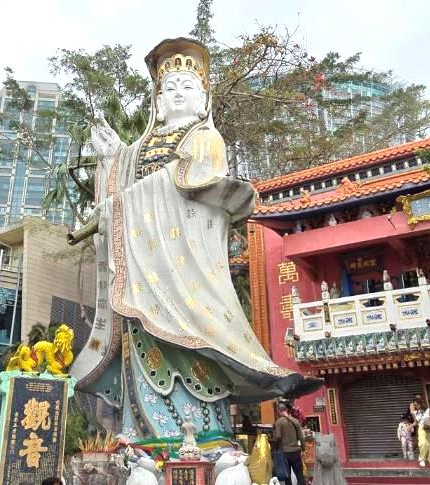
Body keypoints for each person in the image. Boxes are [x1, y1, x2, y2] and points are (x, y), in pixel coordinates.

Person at [68, 37, 320, 446]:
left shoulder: (204, 139)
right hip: (143, 270)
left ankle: (203, 438)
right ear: (158, 101)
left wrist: (122, 203)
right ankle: (142, 439)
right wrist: (112, 159)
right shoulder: (138, 149)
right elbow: (119, 191)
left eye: (188, 86)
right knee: (143, 336)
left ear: (203, 100)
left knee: (193, 345)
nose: (178, 94)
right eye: (169, 88)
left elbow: (192, 180)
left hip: (185, 270)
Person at [273, 401, 305, 485]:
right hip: (296, 451)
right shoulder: (295, 421)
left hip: (285, 452)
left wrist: (276, 448)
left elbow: (278, 437)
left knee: (287, 475)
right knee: (299, 473)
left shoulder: (279, 422)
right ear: (286, 409)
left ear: (278, 410)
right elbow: (301, 437)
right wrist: (303, 449)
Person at [411, 399, 430, 469]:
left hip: (428, 428)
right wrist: (410, 426)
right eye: (415, 405)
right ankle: (422, 459)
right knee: (422, 444)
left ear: (420, 403)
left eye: (416, 404)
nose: (416, 406)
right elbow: (416, 421)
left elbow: (429, 418)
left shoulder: (428, 410)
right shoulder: (416, 412)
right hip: (421, 428)